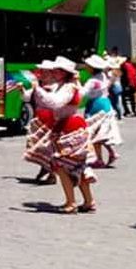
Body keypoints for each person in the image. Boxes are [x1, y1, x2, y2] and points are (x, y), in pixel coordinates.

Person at [24, 56, 97, 214]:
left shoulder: (68, 87)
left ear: (64, 73)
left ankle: (71, 202)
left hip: (69, 126)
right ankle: (88, 201)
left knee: (61, 165)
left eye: (57, 70)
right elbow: (47, 102)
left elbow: (55, 103)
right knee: (78, 166)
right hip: (66, 125)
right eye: (54, 70)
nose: (54, 72)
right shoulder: (65, 85)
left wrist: (38, 89)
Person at [81, 54, 121, 168]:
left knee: (94, 133)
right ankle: (111, 152)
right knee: (102, 132)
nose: (86, 67)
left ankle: (99, 159)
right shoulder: (103, 76)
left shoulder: (93, 81)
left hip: (95, 106)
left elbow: (83, 93)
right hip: (105, 103)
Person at [22, 59, 58, 184]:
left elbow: (51, 101)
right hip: (40, 118)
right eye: (42, 71)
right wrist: (22, 90)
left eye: (45, 72)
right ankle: (45, 167)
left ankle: (52, 174)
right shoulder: (39, 86)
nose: (42, 74)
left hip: (50, 118)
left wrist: (38, 88)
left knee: (49, 147)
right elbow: (27, 97)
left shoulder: (55, 87)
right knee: (39, 146)